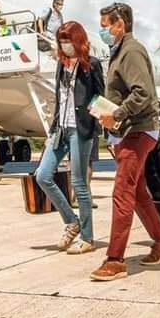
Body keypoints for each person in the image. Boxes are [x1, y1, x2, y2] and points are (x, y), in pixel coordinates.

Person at [90, 2, 160, 282]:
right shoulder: (119, 52)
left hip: (138, 130)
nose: (102, 31)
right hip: (128, 131)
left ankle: (115, 260)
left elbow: (143, 94)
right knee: (137, 192)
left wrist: (116, 113)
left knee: (122, 192)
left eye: (105, 26)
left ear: (120, 24)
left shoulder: (131, 51)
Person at [35, 21, 105, 255]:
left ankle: (87, 238)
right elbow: (59, 97)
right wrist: (54, 128)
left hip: (81, 130)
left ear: (78, 41)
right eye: (61, 41)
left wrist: (93, 125)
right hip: (61, 129)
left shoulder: (91, 65)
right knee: (42, 176)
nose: (64, 45)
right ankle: (71, 221)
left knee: (79, 184)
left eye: (68, 40)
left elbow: (99, 97)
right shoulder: (61, 65)